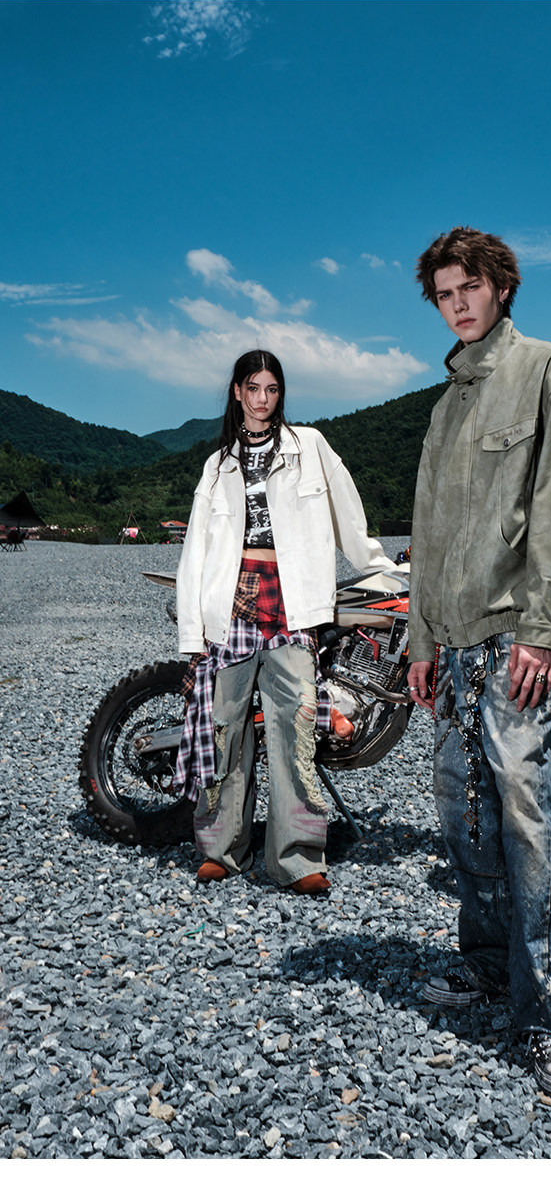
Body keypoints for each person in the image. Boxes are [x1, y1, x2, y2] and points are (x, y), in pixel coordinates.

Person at [406, 227, 551, 1096]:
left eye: (469, 287)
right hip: (451, 645)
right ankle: (490, 963)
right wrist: (420, 641)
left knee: (531, 819)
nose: (457, 303)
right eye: (444, 293)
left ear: (501, 286)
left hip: (512, 637)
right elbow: (427, 531)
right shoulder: (447, 403)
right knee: (466, 814)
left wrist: (541, 629)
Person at [175, 350, 398, 895]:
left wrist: (383, 569)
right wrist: (191, 633)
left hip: (292, 605)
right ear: (237, 392)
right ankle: (221, 850)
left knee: (295, 729)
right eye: (252, 388)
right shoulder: (218, 465)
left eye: (271, 389)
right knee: (226, 730)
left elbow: (349, 518)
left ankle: (297, 858)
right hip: (230, 607)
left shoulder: (310, 446)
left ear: (280, 394)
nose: (262, 399)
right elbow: (195, 551)